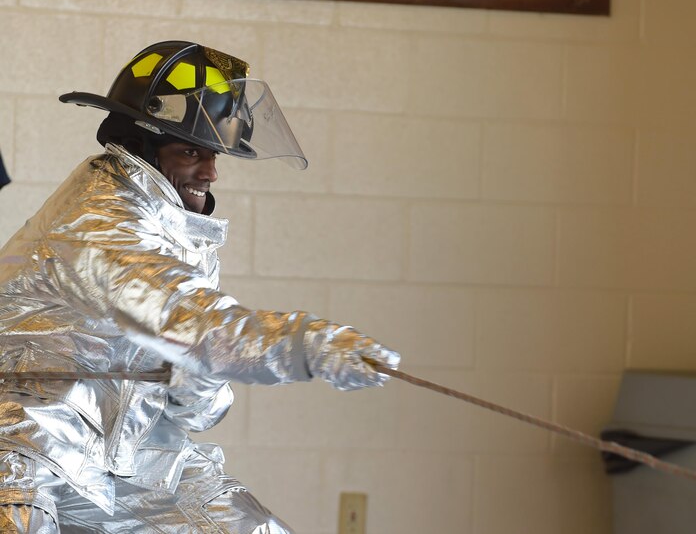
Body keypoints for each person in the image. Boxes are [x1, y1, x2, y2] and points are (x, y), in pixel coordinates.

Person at [0, 40, 400, 533]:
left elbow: (192, 401)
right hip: (25, 439)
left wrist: (202, 376)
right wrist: (306, 343)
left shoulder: (177, 230)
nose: (210, 172)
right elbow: (189, 321)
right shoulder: (97, 220)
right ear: (144, 141)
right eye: (191, 150)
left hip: (133, 457)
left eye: (214, 154)